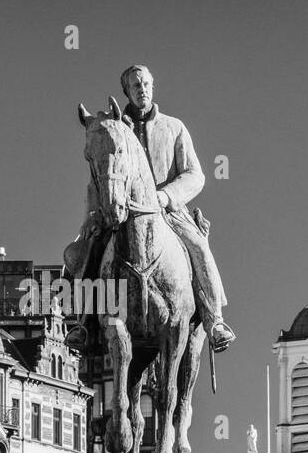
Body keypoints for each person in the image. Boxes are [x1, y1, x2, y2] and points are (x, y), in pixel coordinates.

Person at [63, 65, 236, 353]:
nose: (141, 89)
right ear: (126, 92)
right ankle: (84, 322)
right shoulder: (115, 128)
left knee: (198, 247)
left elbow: (195, 175)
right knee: (90, 251)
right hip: (120, 209)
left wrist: (166, 196)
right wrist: (91, 217)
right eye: (135, 86)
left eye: (145, 84)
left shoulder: (174, 127)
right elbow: (101, 174)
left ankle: (214, 319)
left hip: (168, 212)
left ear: (153, 86)